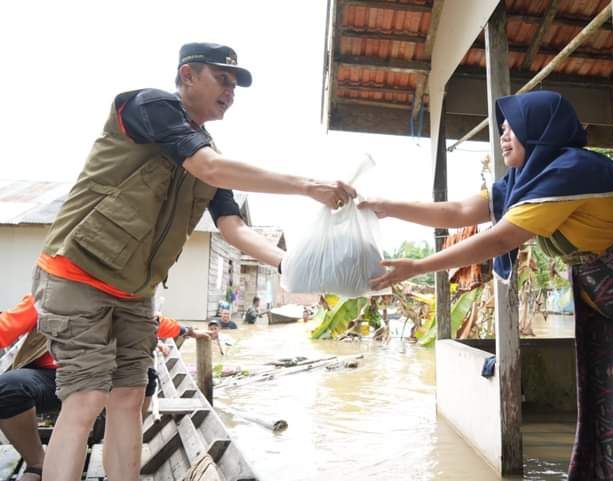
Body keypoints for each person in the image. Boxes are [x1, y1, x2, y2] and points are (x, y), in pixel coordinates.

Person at [31, 41, 356, 481]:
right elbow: (210, 169)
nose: (231, 92)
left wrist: (293, 266)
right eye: (222, 79)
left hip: (135, 293)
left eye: (235, 84)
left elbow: (234, 228)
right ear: (187, 75)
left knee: (130, 396)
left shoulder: (210, 150)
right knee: (86, 398)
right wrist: (308, 185)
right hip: (77, 276)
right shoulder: (151, 107)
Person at [361, 90, 613, 481]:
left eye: (512, 127)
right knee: (605, 392)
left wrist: (417, 267)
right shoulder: (523, 181)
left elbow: (499, 239)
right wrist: (387, 207)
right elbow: (459, 211)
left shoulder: (571, 170)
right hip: (606, 298)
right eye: (501, 129)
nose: (503, 136)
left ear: (541, 128)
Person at [0, 294, 211, 481]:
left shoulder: (122, 296)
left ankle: (120, 456)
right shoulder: (48, 294)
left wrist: (188, 331)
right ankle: (38, 463)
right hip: (52, 375)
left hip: (109, 377)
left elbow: (153, 321)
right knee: (8, 387)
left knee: (144, 376)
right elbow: (5, 327)